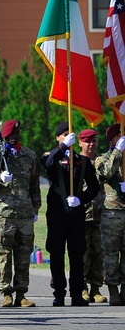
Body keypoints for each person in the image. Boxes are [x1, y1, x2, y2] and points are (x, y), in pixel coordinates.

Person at [0, 120, 42, 308]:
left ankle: (21, 294)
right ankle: (6, 293)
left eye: (16, 134)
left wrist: (36, 208)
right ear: (5, 137)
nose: (14, 137)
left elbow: (34, 185)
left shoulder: (30, 156)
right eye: (10, 135)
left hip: (25, 214)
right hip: (5, 214)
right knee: (4, 254)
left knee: (24, 255)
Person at [43, 123, 100, 307]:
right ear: (58, 137)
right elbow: (49, 164)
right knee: (57, 253)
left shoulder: (81, 161)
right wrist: (62, 147)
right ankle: (59, 293)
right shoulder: (52, 156)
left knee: (77, 254)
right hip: (57, 214)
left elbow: (94, 187)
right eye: (64, 135)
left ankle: (76, 293)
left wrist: (81, 199)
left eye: (70, 135)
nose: (69, 137)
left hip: (76, 214)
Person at [76, 129, 107, 303]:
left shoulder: (101, 161)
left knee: (98, 254)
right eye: (87, 141)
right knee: (82, 253)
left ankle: (96, 288)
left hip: (100, 213)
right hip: (82, 214)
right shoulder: (77, 162)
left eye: (94, 140)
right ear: (80, 143)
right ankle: (82, 288)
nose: (91, 144)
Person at [96, 126, 125, 305]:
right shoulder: (103, 158)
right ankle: (113, 290)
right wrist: (117, 151)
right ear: (113, 138)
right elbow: (106, 172)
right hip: (112, 212)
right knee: (111, 255)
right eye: (120, 136)